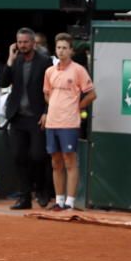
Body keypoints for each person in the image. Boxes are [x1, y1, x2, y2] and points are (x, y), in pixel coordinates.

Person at [0, 27, 54, 210]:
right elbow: (3, 82)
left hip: (37, 116)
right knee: (18, 156)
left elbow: (50, 90)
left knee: (38, 156)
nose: (22, 45)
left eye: (25, 42)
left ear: (33, 43)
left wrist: (47, 112)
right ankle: (24, 197)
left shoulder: (45, 62)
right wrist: (9, 60)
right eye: (19, 42)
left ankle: (41, 189)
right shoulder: (15, 60)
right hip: (17, 116)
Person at [44, 32, 96, 210]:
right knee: (55, 162)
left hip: (69, 123)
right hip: (52, 123)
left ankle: (70, 202)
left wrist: (77, 107)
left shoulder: (79, 70)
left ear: (71, 51)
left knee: (69, 161)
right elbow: (47, 93)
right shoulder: (49, 71)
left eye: (65, 48)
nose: (61, 51)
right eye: (58, 48)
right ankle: (59, 201)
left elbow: (92, 94)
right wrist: (54, 108)